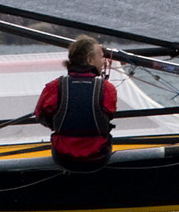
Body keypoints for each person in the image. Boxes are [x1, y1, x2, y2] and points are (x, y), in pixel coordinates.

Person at [34, 35, 118, 169]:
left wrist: (60, 125)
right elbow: (109, 113)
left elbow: (40, 115)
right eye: (101, 57)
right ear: (90, 59)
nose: (104, 61)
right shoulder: (107, 88)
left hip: (62, 157)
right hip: (97, 157)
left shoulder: (54, 87)